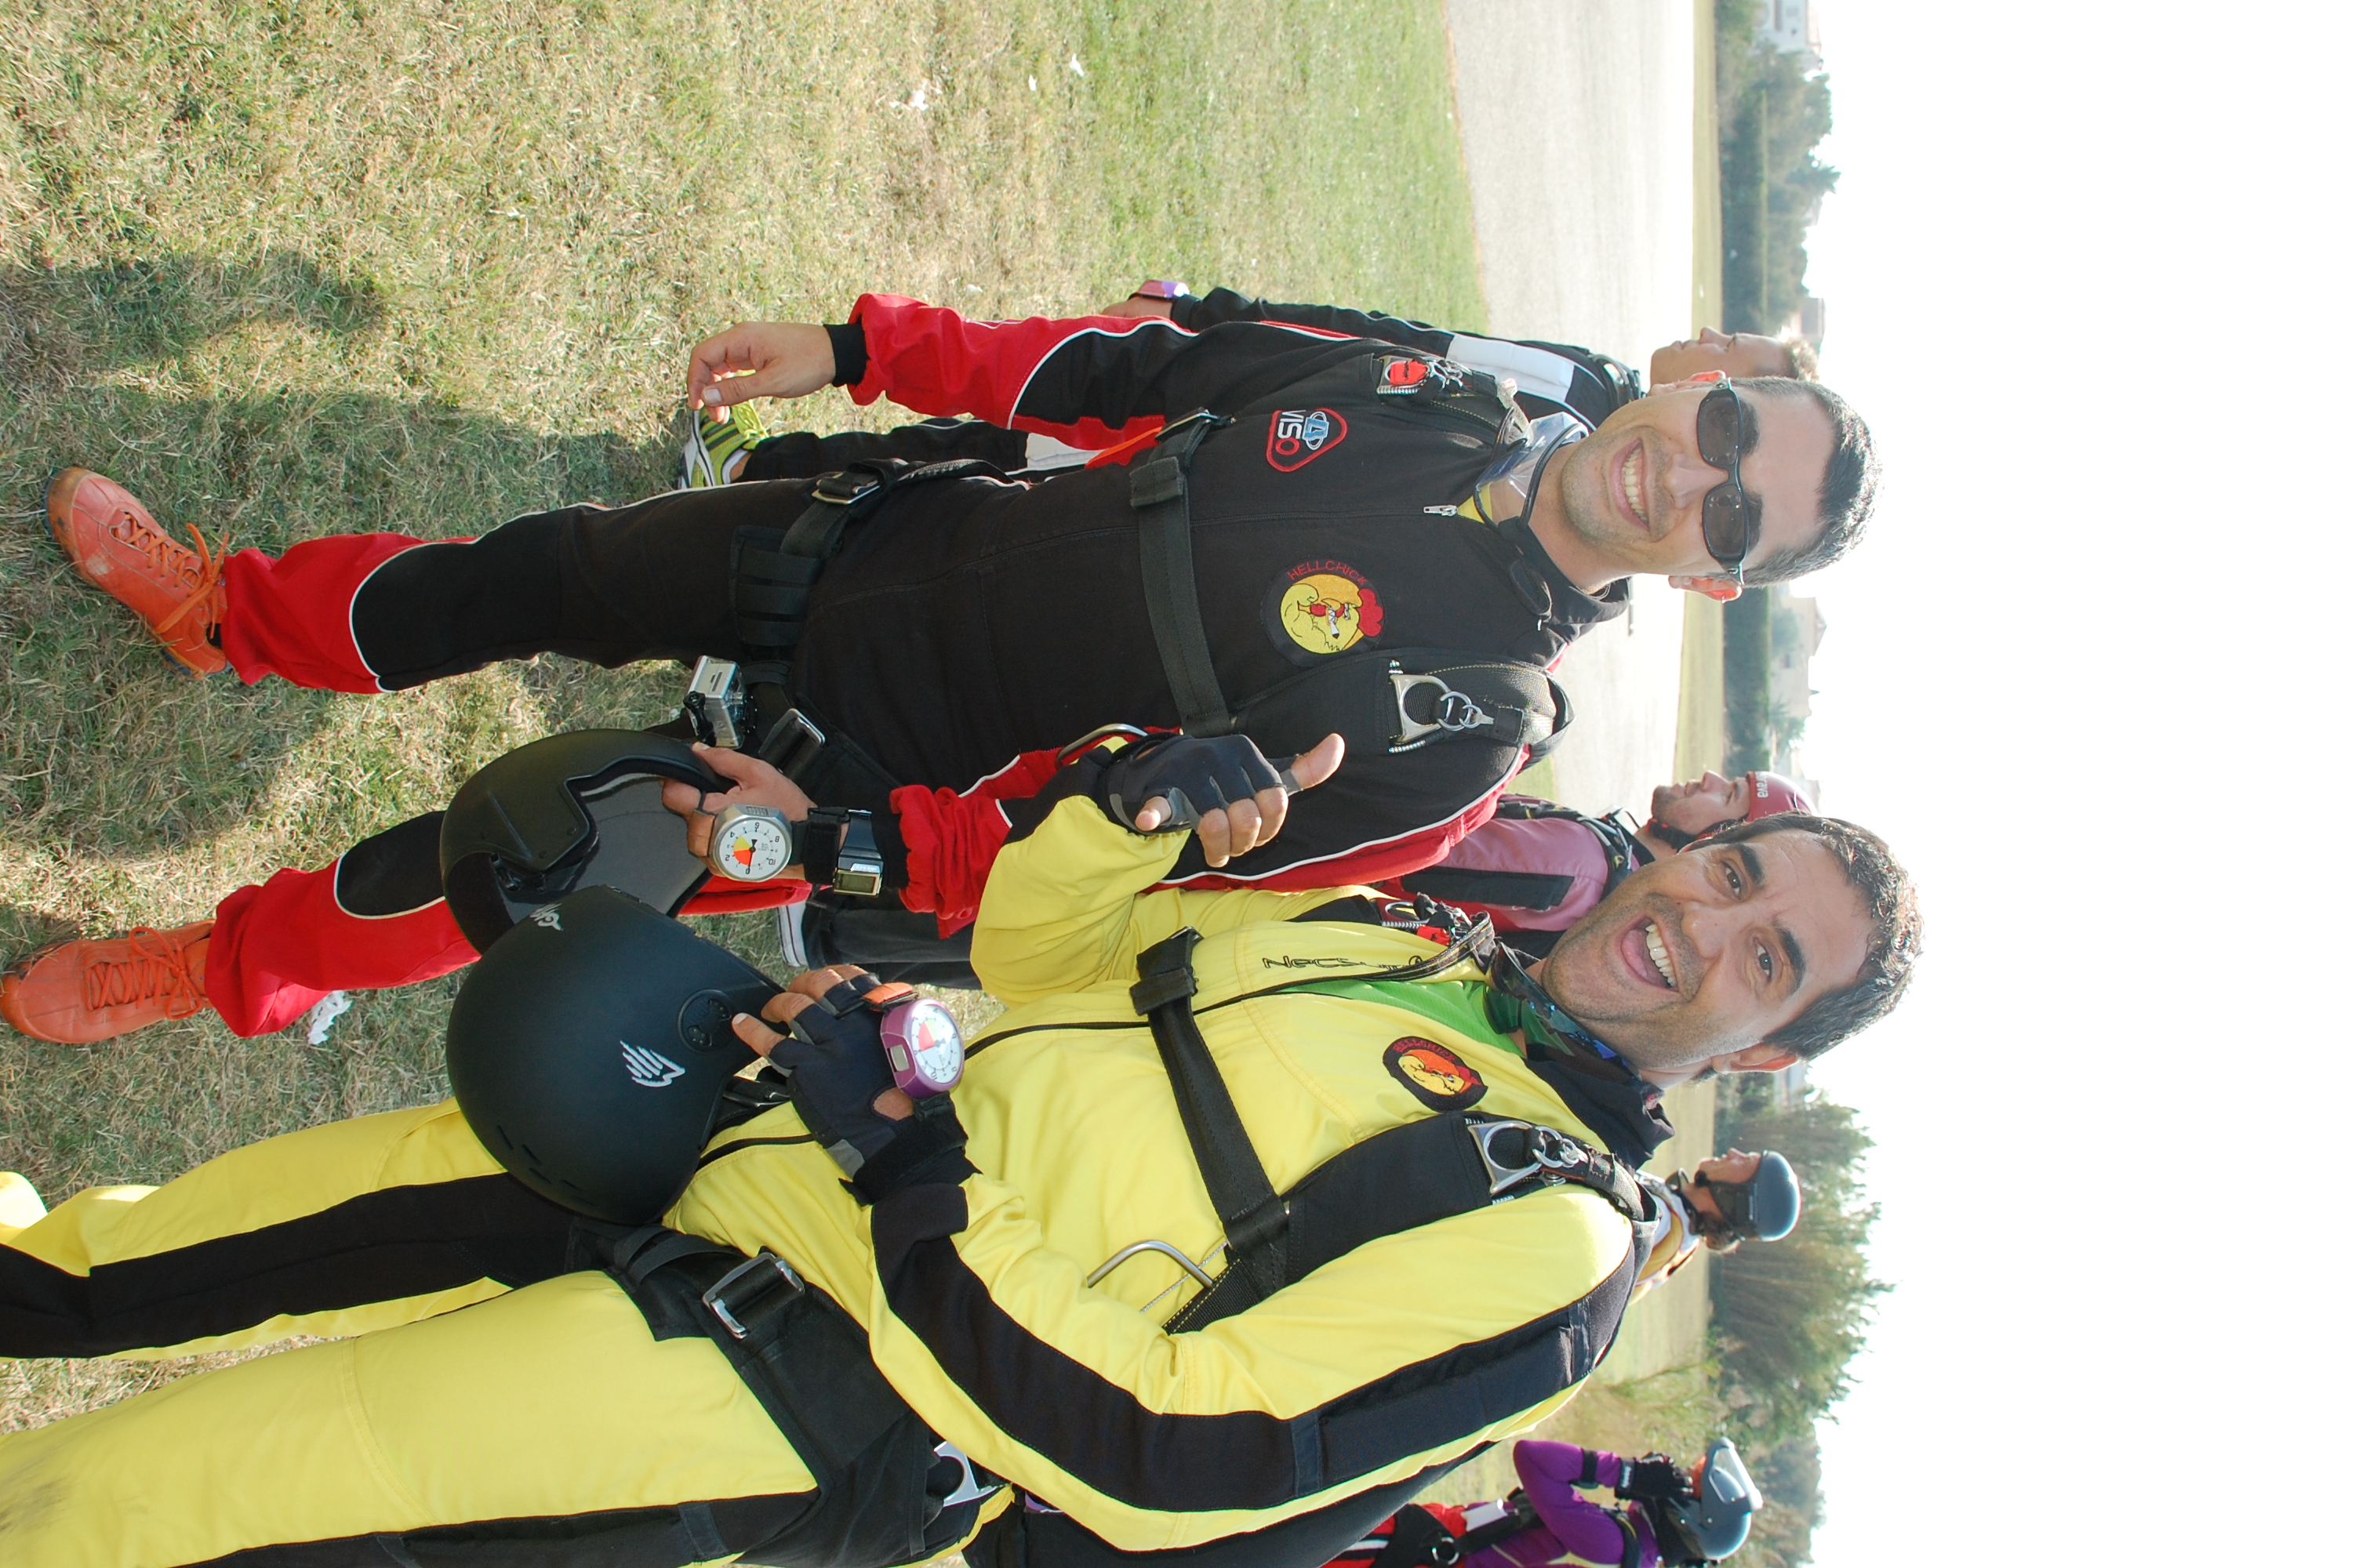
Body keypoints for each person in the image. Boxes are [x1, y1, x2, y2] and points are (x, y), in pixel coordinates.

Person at [0, 728, 1916, 1566]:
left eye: (1769, 959)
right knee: (190, 1231)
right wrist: (1116, 819)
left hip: (804, 1378)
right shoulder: (1410, 946)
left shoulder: (1556, 1243)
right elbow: (1050, 967)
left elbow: (1174, 1449)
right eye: (1733, 875)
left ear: (1760, 1050)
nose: (1705, 924)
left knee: (139, 1499)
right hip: (754, 1120)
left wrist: (909, 1168)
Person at [9, 292, 1877, 1044]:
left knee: (522, 860)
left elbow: (1117, 868)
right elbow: (1128, 368)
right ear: (1704, 383)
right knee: (533, 571)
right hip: (869, 542)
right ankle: (228, 617)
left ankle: (222, 967)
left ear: (1717, 580)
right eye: (1724, 433)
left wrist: (825, 847)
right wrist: (860, 345)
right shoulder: (1433, 390)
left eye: (1735, 515)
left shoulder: (1465, 734)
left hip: (853, 771)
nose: (1688, 476)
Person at [694, 282, 1817, 489]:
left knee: (986, 477)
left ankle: (757, 487)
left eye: (1734, 362)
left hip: (1199, 455)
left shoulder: (1580, 412)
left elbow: (1376, 355)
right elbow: (1391, 338)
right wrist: (1220, 312)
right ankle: (755, 476)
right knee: (983, 457)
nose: (1709, 337)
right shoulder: (1593, 377)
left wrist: (1215, 324)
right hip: (1201, 411)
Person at [1333, 1438, 1759, 1568]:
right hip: (1421, 1544)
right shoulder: (1630, 1550)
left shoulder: (1612, 1545)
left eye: (1687, 1484)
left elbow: (1534, 1459)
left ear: (1688, 1518)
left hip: (1405, 1553)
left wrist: (1624, 1473)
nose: (1675, 1477)